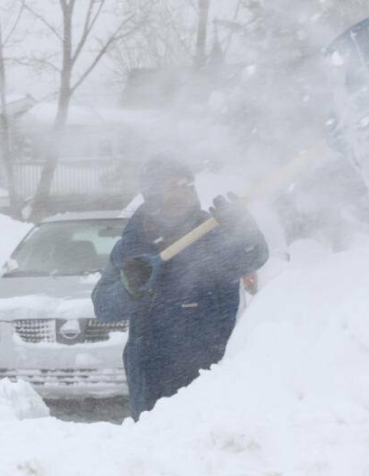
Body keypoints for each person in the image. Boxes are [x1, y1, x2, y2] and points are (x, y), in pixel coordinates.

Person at [92, 155, 269, 420]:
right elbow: (103, 306)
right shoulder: (133, 245)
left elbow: (253, 257)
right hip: (152, 368)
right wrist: (129, 287)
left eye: (188, 184)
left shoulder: (214, 233)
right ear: (153, 194)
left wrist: (244, 230)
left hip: (213, 363)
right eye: (173, 185)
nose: (184, 191)